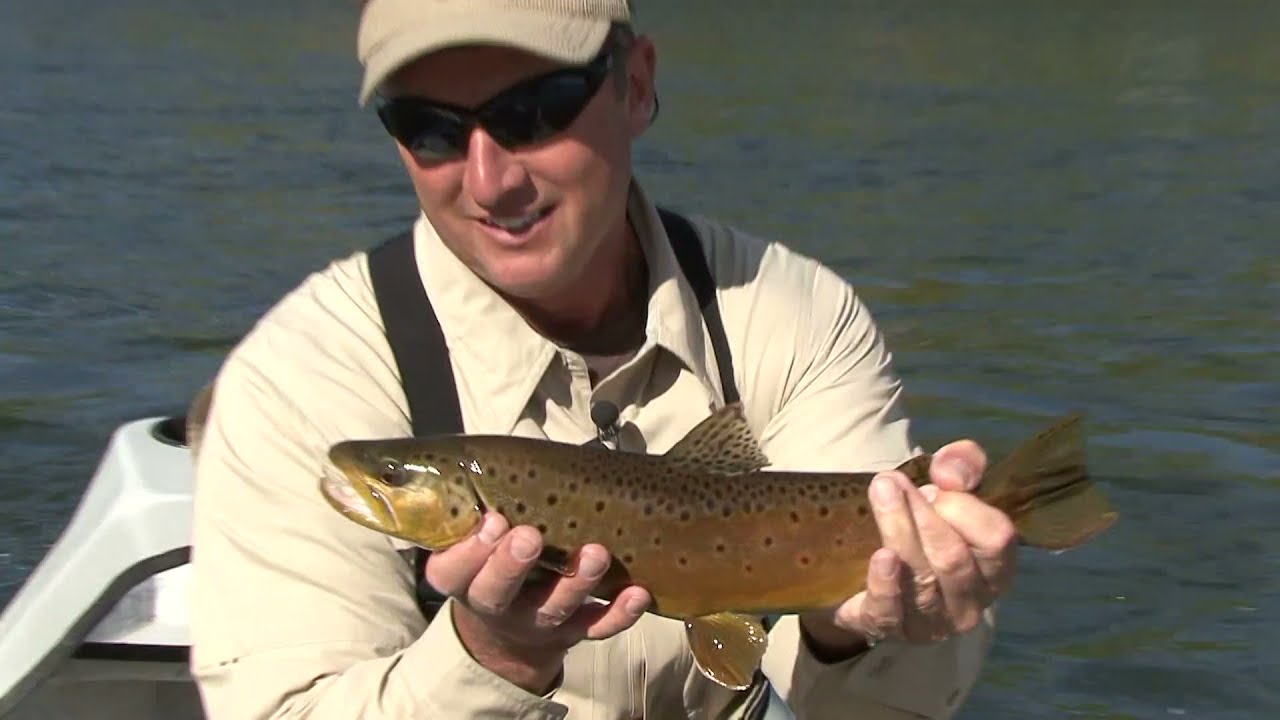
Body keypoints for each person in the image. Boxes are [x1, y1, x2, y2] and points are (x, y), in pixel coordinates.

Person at [188, 1, 1018, 718]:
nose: (489, 180)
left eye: (535, 110)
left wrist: (855, 625)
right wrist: (491, 659)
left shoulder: (791, 315)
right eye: (429, 129)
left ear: (638, 86)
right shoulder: (298, 383)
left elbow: (871, 707)